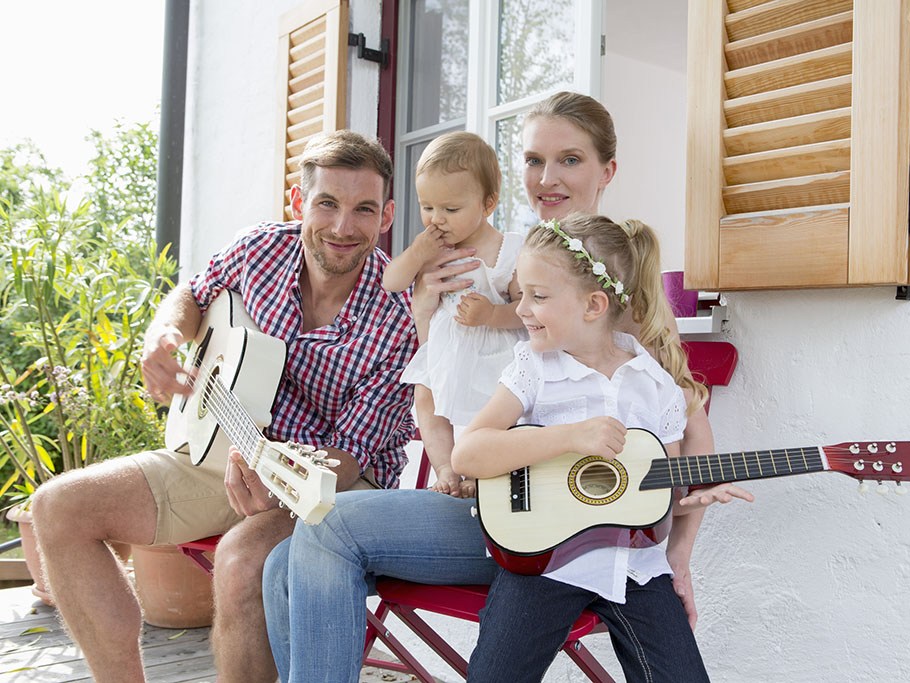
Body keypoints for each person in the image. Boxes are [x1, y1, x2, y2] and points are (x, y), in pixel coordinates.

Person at [262, 91, 714, 681]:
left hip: (540, 523)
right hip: (482, 489)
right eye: (533, 161)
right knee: (280, 565)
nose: (547, 179)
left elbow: (686, 423)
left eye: (569, 160)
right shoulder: (504, 256)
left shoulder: (611, 292)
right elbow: (442, 370)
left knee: (323, 531)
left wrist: (677, 553)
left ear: (607, 171)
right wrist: (426, 310)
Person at [29, 129, 417, 683]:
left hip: (330, 487)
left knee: (239, 561)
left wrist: (275, 477)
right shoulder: (260, 247)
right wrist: (163, 335)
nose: (342, 227)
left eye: (364, 209)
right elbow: (195, 292)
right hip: (223, 450)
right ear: (297, 201)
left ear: (386, 216)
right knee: (58, 507)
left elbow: (352, 455)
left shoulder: (399, 313)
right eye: (326, 203)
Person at [451, 214, 754, 681]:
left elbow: (658, 490)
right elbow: (467, 453)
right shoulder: (534, 368)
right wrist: (571, 437)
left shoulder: (656, 386)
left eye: (538, 296)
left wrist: (690, 497)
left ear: (593, 304)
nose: (521, 309)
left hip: (636, 568)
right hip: (544, 560)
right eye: (522, 293)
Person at [382, 132, 524, 497]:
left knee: (492, 409)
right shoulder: (431, 248)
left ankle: (482, 470)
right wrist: (416, 253)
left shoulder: (507, 250)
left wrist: (493, 314)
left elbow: (527, 311)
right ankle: (446, 468)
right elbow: (392, 282)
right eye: (427, 206)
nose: (436, 219)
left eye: (451, 209)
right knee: (426, 399)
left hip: (494, 352)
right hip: (444, 350)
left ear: (488, 203)